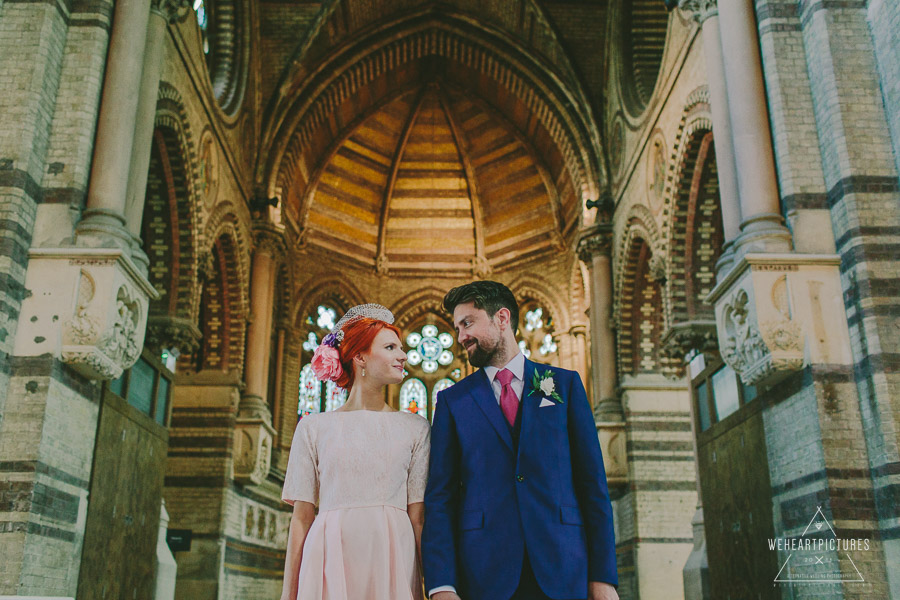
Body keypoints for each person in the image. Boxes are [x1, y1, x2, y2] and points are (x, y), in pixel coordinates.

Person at [423, 281, 619, 600]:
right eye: (457, 328)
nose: (461, 337)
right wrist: (442, 585)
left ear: (502, 318)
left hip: (565, 569)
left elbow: (592, 486)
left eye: (467, 323)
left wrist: (603, 576)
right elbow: (440, 500)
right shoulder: (453, 401)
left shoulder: (561, 386)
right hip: (484, 574)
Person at [280, 304, 430, 600]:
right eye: (390, 347)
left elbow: (418, 518)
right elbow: (301, 519)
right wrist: (289, 594)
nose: (403, 356)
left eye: (401, 348)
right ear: (360, 356)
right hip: (328, 555)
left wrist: (430, 588)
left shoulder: (416, 427)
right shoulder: (313, 428)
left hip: (394, 557)